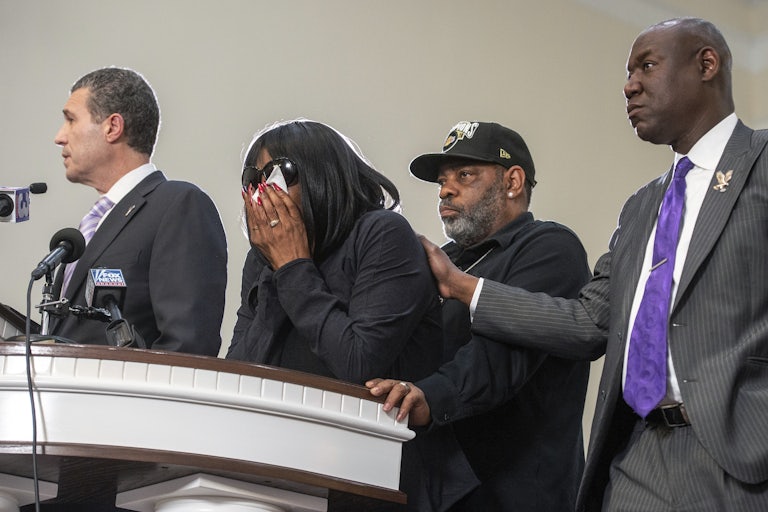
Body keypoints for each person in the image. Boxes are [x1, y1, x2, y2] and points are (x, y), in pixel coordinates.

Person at [383, 18, 768, 512]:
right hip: (638, 453)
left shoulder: (760, 162)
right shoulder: (642, 207)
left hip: (739, 452)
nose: (629, 85)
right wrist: (461, 287)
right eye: (628, 72)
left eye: (646, 66)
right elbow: (588, 322)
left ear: (706, 64)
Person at [226, 119, 449, 510]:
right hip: (275, 462)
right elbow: (240, 373)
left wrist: (294, 267)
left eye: (279, 173)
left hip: (363, 476)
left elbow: (356, 362)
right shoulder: (263, 258)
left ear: (322, 174)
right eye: (254, 178)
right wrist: (279, 266)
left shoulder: (382, 234)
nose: (265, 191)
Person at [368, 121, 592, 510]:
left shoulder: (550, 247)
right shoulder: (445, 259)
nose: (445, 190)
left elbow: (498, 359)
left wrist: (428, 396)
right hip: (437, 491)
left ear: (513, 181)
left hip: (515, 495)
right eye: (441, 180)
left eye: (464, 175)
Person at [50, 67, 227, 356]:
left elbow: (188, 344)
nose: (59, 137)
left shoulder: (178, 204)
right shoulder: (92, 224)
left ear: (112, 127)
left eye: (70, 120)